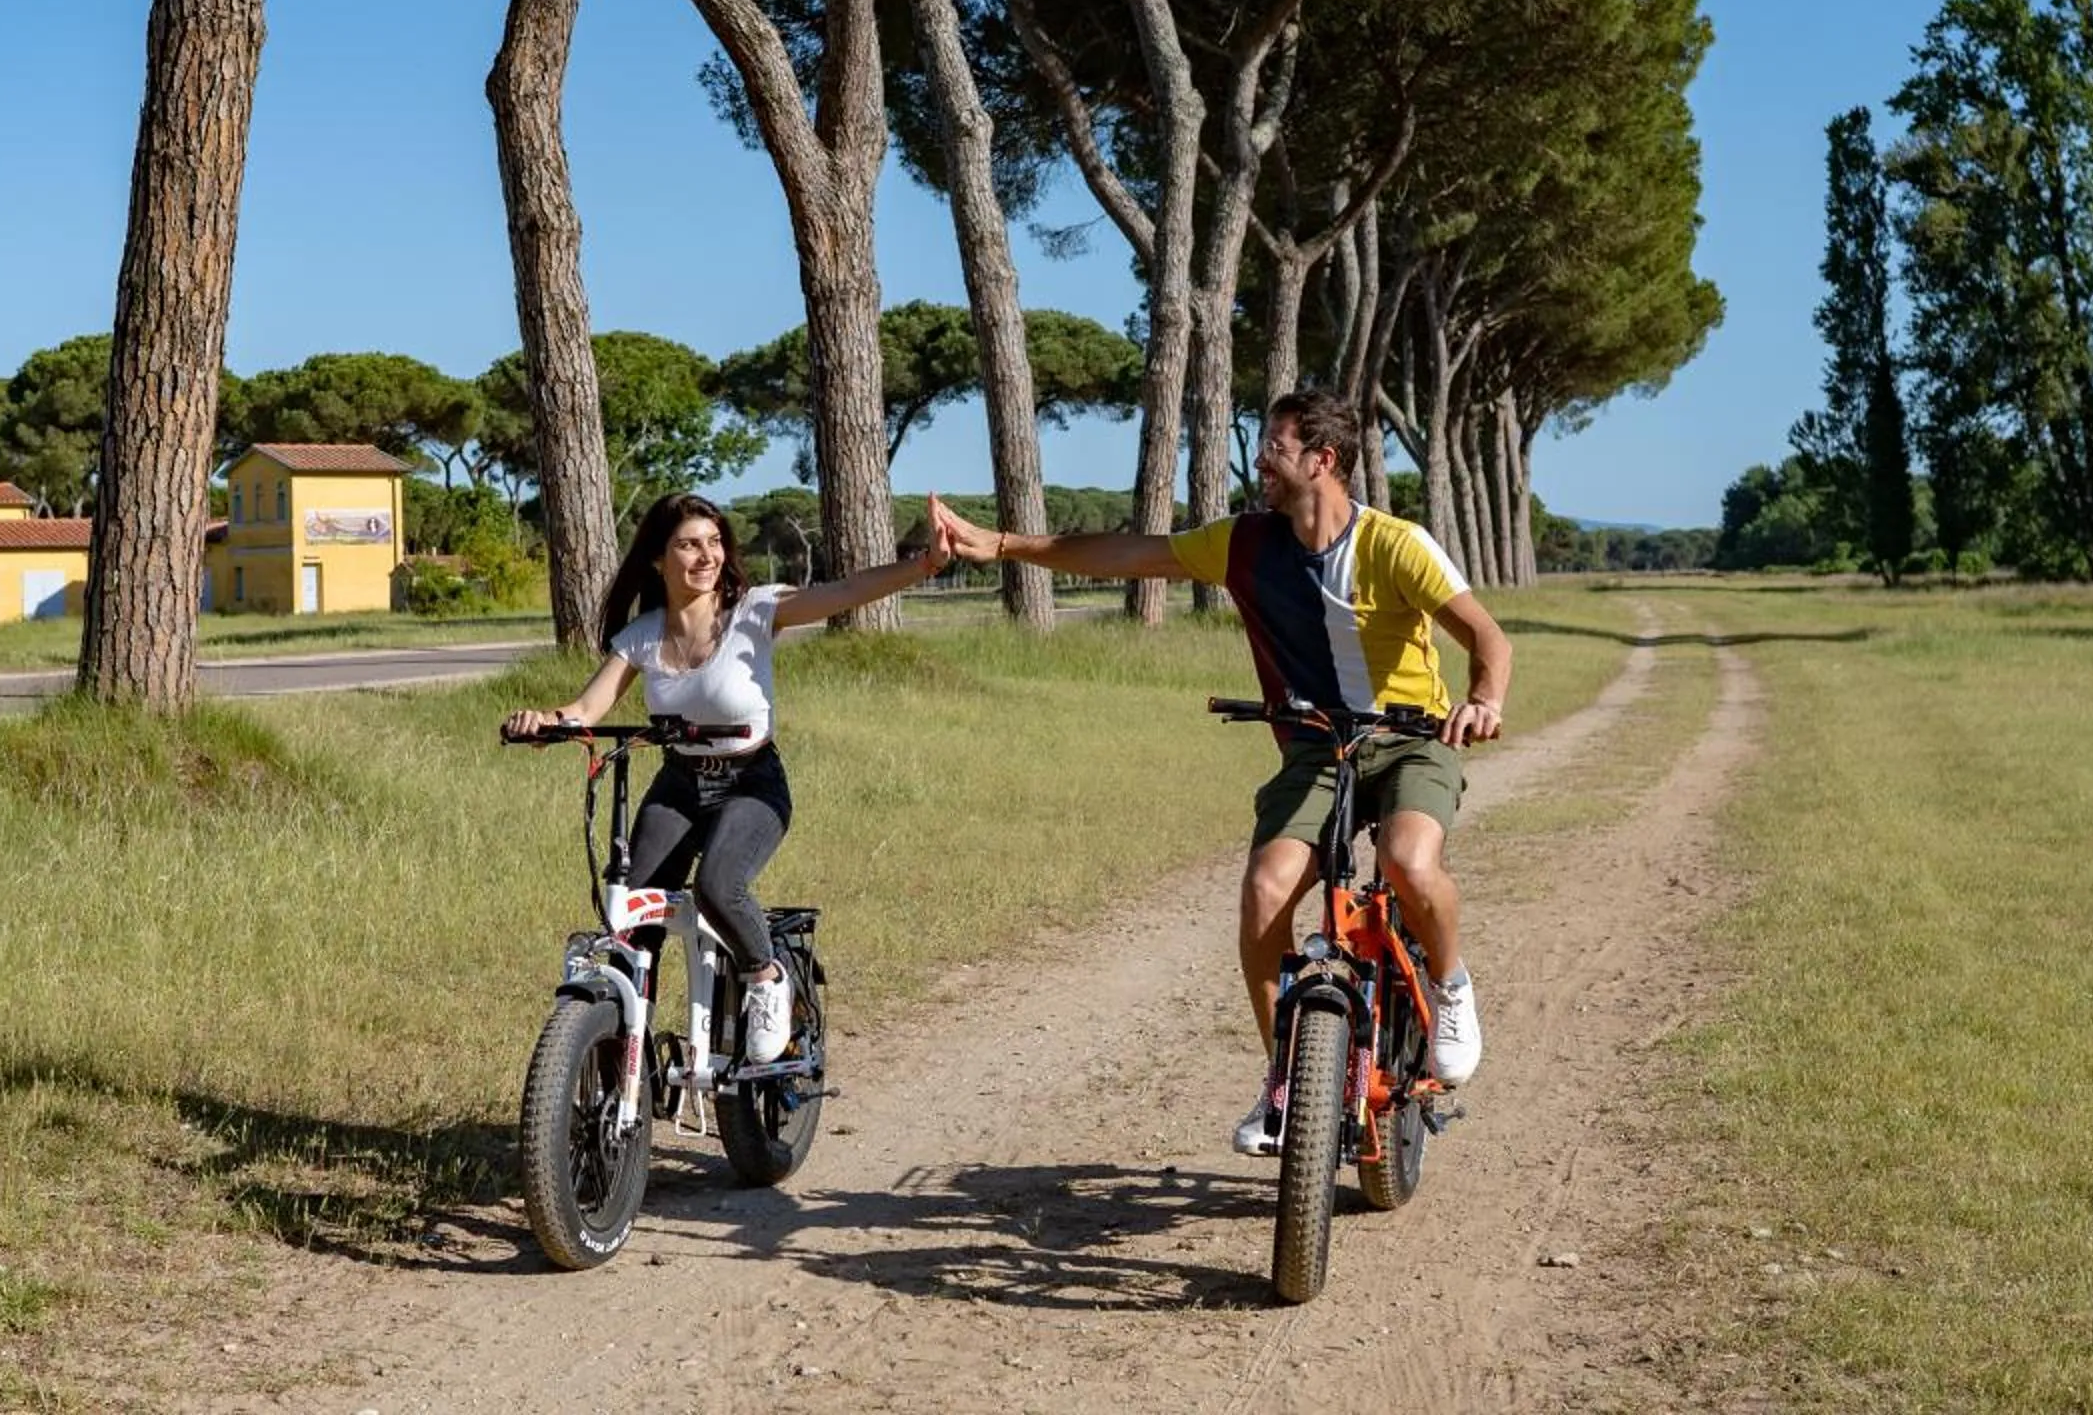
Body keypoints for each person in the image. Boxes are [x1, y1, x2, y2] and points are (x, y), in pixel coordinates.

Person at [926, 389, 1512, 1156]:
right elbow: (1126, 551)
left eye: (1274, 447)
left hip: (1408, 739)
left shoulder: (1396, 543)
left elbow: (1485, 634)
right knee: (1266, 892)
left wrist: (1482, 699)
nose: (1259, 462)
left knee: (1407, 860)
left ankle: (1452, 982)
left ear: (1320, 461)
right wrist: (1003, 545)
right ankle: (1286, 1079)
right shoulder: (1244, 544)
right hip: (1315, 746)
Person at [504, 493, 950, 1062]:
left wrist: (924, 565)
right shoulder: (643, 634)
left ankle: (767, 980)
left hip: (752, 782)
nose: (706, 556)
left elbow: (844, 592)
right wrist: (544, 723)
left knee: (717, 885)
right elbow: (585, 710)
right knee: (628, 912)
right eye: (689, 544)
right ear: (658, 560)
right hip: (679, 784)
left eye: (714, 543)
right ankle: (618, 1045)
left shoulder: (756, 610)